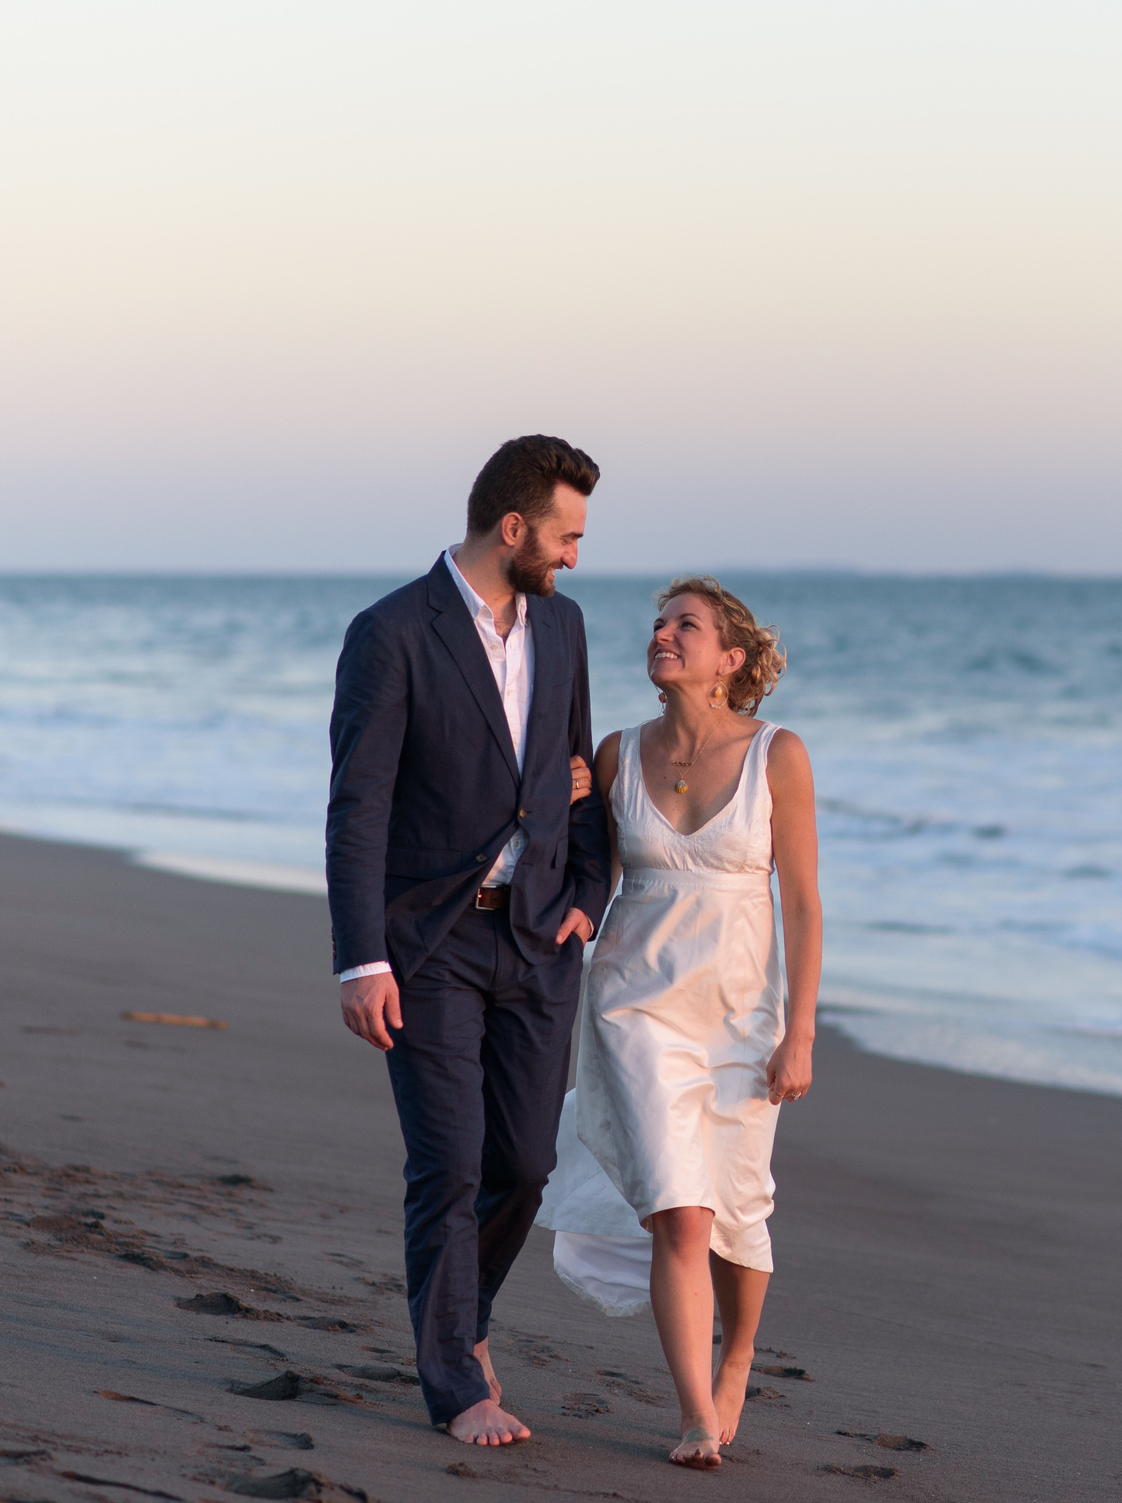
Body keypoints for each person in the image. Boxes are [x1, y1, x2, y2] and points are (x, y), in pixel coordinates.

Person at [324, 434, 613, 1446]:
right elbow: (357, 805)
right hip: (431, 941)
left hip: (539, 940)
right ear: (513, 526)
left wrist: (585, 887)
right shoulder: (392, 632)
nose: (575, 555)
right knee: (447, 1161)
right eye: (565, 534)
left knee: (524, 1163)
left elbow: (577, 771)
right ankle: (456, 1381)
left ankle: (463, 1316)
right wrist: (361, 959)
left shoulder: (566, 627)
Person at [536, 577, 822, 1471]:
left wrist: (801, 1029)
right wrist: (566, 791)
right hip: (636, 1002)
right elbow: (578, 859)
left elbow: (806, 905)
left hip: (741, 1014)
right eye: (659, 624)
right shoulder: (618, 753)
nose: (663, 634)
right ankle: (697, 1411)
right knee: (682, 1212)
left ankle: (737, 1354)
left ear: (730, 659)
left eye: (685, 626)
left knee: (738, 1206)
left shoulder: (779, 755)